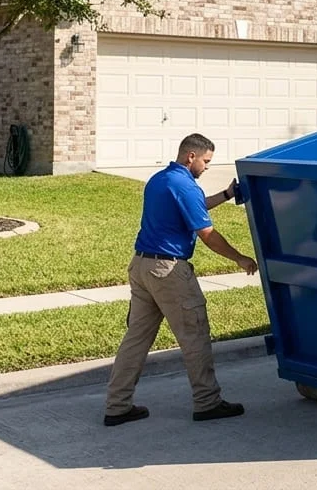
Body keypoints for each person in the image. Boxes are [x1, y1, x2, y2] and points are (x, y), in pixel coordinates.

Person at [103, 133, 259, 426]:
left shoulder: (160, 180)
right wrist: (240, 258)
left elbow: (192, 208)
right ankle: (208, 402)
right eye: (206, 161)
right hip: (169, 272)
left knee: (135, 341)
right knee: (195, 335)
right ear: (191, 157)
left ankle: (117, 406)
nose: (208, 167)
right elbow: (207, 234)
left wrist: (226, 195)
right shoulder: (185, 186)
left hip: (141, 267)